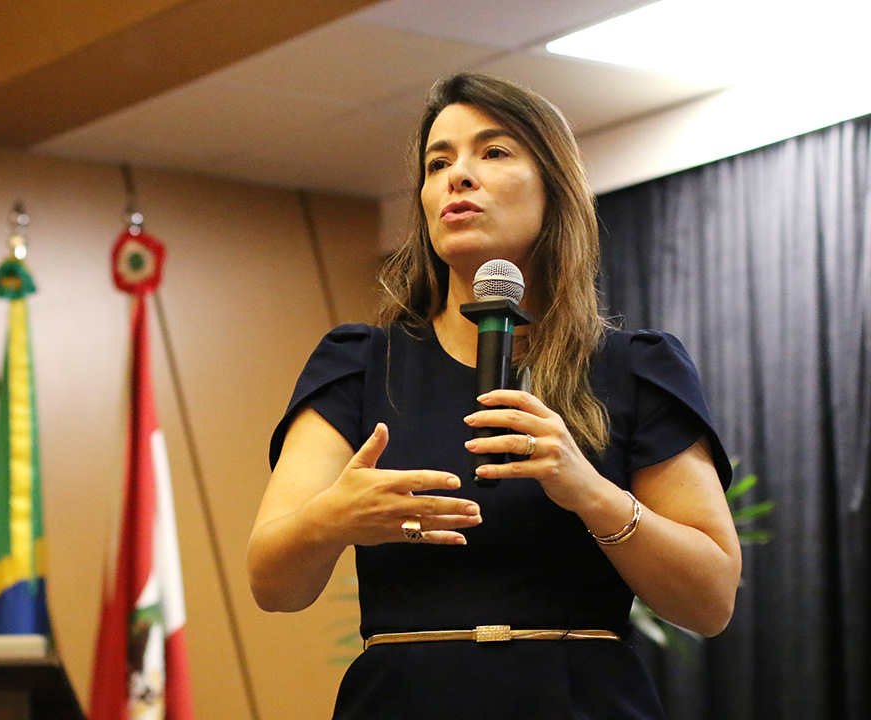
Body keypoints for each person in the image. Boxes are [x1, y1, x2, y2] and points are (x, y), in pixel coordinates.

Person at [247, 73, 742, 719]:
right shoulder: (360, 363)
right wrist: (332, 518)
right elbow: (272, 585)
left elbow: (709, 604)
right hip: (403, 701)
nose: (458, 176)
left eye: (494, 152)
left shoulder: (633, 368)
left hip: (583, 699)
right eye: (438, 161)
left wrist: (587, 491)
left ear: (553, 189)